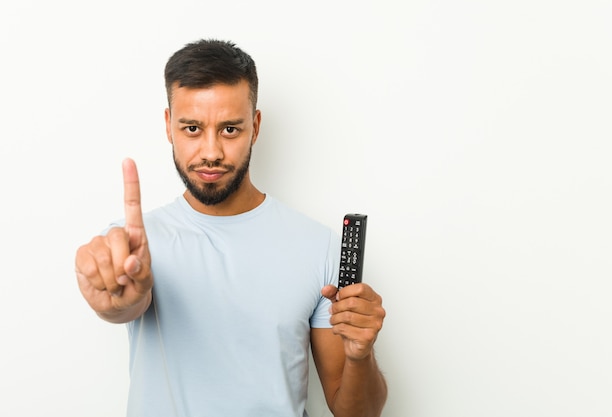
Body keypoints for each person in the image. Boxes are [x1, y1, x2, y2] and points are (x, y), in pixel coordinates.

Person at [75, 38, 387, 417]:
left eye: (229, 130)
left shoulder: (318, 247)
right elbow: (124, 303)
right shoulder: (134, 247)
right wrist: (118, 302)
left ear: (254, 127)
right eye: (191, 128)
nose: (211, 152)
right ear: (168, 126)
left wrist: (360, 355)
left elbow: (357, 412)